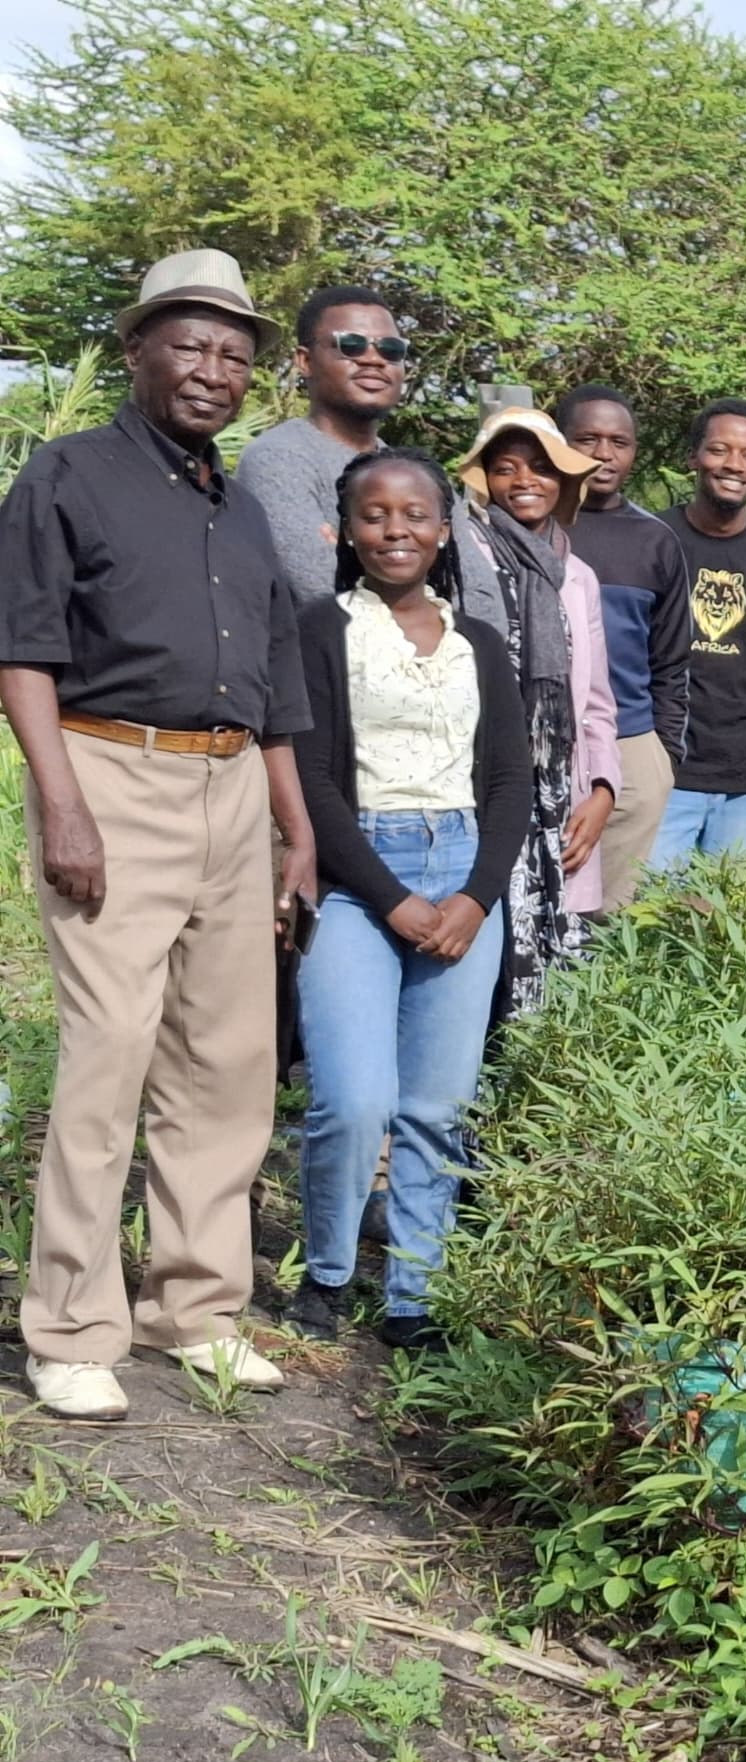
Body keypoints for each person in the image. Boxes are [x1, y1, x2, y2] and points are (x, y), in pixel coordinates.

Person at [0, 249, 315, 1418]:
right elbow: (22, 650)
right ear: (136, 349)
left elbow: (278, 682)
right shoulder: (68, 475)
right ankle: (73, 1328)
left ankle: (195, 1308)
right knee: (108, 1054)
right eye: (188, 344)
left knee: (227, 1065)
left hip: (233, 789)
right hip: (110, 773)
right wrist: (64, 804)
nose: (211, 369)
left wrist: (295, 831)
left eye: (234, 354)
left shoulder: (234, 505)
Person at [286, 449, 531, 1352]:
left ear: (442, 529)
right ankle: (328, 1273)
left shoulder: (481, 643)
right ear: (346, 530)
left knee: (438, 1107)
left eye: (416, 515)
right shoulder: (320, 631)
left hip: (465, 871)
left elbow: (511, 780)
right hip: (361, 879)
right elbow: (312, 780)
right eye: (377, 516)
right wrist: (390, 898)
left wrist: (475, 897)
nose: (397, 531)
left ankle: (415, 1295)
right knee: (354, 1099)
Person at [454, 405, 620, 1021]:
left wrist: (601, 791)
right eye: (506, 468)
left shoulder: (577, 575)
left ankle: (530, 1106)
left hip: (559, 796)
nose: (525, 480)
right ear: (485, 481)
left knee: (556, 965)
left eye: (542, 468)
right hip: (484, 787)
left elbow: (597, 699)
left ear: (565, 482)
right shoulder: (463, 556)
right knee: (478, 952)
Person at [234, 285, 503, 628]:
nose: (374, 359)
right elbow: (324, 591)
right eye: (352, 345)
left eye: (391, 350)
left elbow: (480, 594)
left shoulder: (417, 474)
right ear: (304, 360)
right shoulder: (278, 459)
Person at [649, 400, 746, 866]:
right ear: (693, 457)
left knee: (728, 923)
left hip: (745, 776)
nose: (734, 465)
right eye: (719, 450)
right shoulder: (654, 537)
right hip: (663, 771)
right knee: (648, 919)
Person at [560, 384, 692, 909]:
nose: (602, 453)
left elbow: (672, 658)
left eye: (619, 441)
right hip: (544, 743)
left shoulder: (653, 540)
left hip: (632, 745)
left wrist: (664, 758)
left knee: (612, 918)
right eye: (587, 438)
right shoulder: (533, 525)